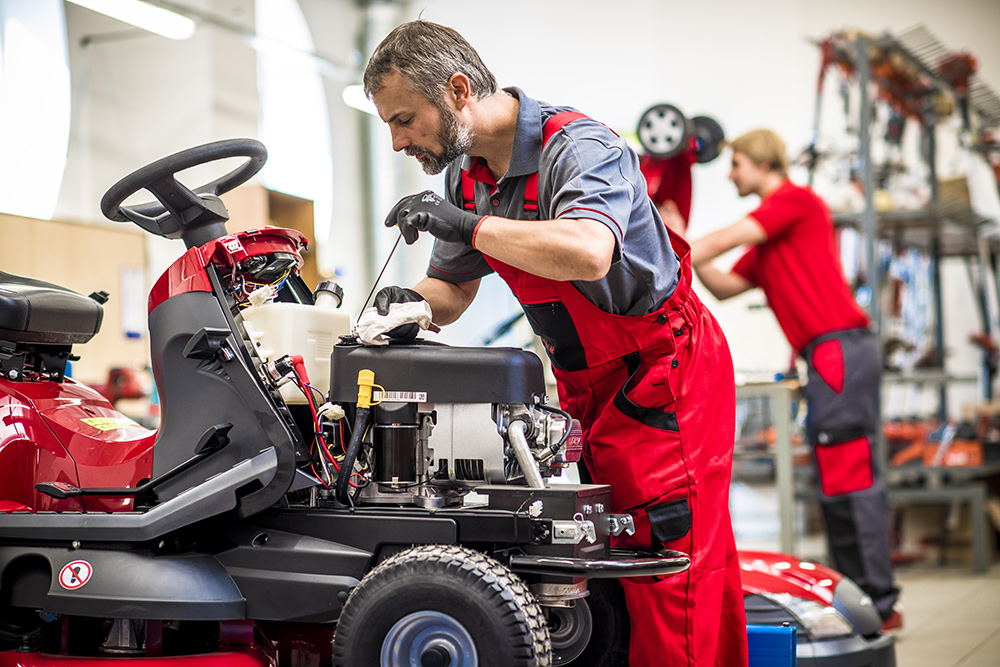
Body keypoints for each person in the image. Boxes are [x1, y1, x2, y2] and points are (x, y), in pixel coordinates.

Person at [361, 19, 748, 667]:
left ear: (457, 91)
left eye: (404, 119)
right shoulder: (469, 175)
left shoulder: (582, 148)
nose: (398, 141)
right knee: (614, 556)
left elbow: (588, 252)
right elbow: (451, 291)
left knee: (672, 570)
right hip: (587, 387)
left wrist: (468, 223)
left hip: (663, 375)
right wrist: (405, 307)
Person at [663, 128, 902, 629]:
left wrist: (671, 240)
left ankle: (880, 604)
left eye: (737, 165)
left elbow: (725, 240)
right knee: (837, 480)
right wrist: (677, 233)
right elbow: (726, 285)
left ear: (761, 162)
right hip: (828, 356)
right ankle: (860, 597)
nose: (730, 175)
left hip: (840, 349)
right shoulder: (770, 238)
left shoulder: (795, 202)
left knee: (851, 479)